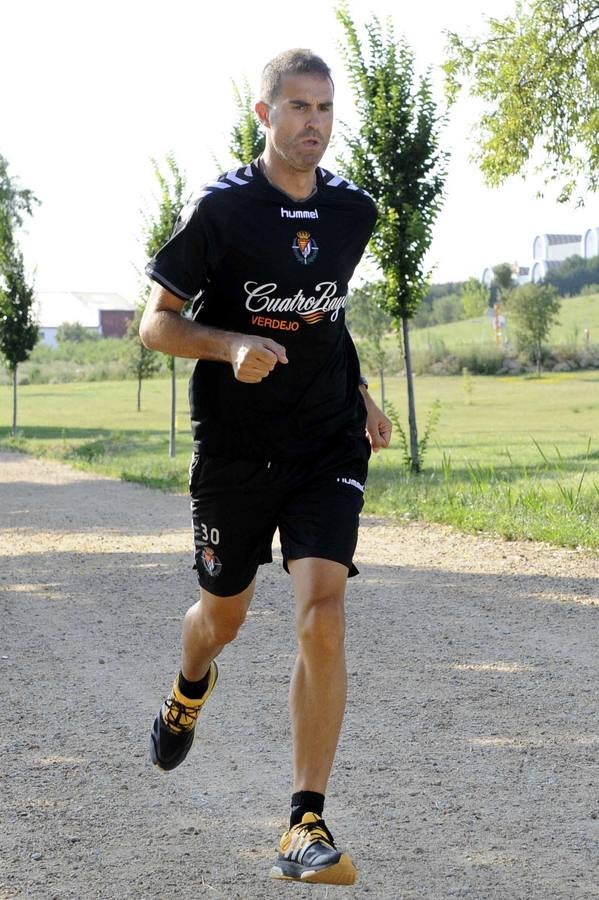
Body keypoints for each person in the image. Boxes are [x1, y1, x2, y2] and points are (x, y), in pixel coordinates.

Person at [140, 48, 392, 886]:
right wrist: (229, 345)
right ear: (263, 115)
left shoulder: (353, 210)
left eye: (323, 108)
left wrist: (359, 395)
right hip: (237, 451)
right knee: (222, 619)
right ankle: (188, 685)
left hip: (326, 443)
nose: (312, 124)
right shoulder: (220, 211)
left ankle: (302, 822)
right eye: (295, 108)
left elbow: (326, 319)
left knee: (322, 613)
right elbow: (156, 323)